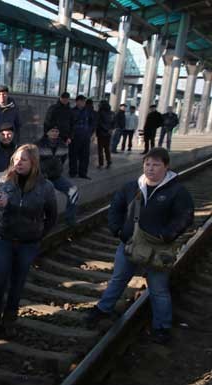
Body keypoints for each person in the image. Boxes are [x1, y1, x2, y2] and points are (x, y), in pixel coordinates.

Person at [85, 148, 193, 344]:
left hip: (157, 248)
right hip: (130, 244)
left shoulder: (176, 191)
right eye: (147, 164)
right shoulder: (131, 187)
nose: (150, 168)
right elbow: (115, 208)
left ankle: (162, 326)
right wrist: (117, 230)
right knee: (118, 279)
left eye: (156, 164)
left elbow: (185, 216)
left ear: (166, 166)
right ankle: (102, 310)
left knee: (158, 289)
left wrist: (167, 234)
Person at [0, 144, 57, 337]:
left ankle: (10, 320)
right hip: (3, 238)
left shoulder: (45, 187)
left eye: (23, 159)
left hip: (27, 243)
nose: (18, 163)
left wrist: (39, 235)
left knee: (17, 283)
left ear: (33, 162)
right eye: (15, 159)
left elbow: (51, 215)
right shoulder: (5, 181)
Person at [37, 126, 79, 225]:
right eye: (52, 131)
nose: (55, 133)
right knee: (45, 196)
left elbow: (63, 159)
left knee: (73, 191)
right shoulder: (39, 145)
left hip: (56, 177)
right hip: (42, 177)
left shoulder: (62, 145)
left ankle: (70, 218)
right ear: (47, 132)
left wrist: (58, 169)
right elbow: (34, 162)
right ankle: (41, 222)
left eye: (56, 131)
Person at [69, 94, 95, 179]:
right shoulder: (72, 111)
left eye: (84, 101)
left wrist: (90, 133)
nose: (83, 103)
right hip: (75, 137)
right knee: (73, 155)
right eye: (81, 101)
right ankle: (73, 172)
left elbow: (92, 122)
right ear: (77, 102)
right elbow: (69, 124)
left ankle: (83, 173)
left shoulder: (88, 111)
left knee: (85, 156)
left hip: (85, 137)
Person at [96, 100, 115, 169]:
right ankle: (109, 161)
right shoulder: (112, 113)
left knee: (100, 149)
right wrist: (110, 129)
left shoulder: (100, 113)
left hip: (101, 133)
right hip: (108, 134)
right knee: (107, 148)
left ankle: (101, 164)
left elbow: (99, 123)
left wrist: (106, 129)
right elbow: (114, 123)